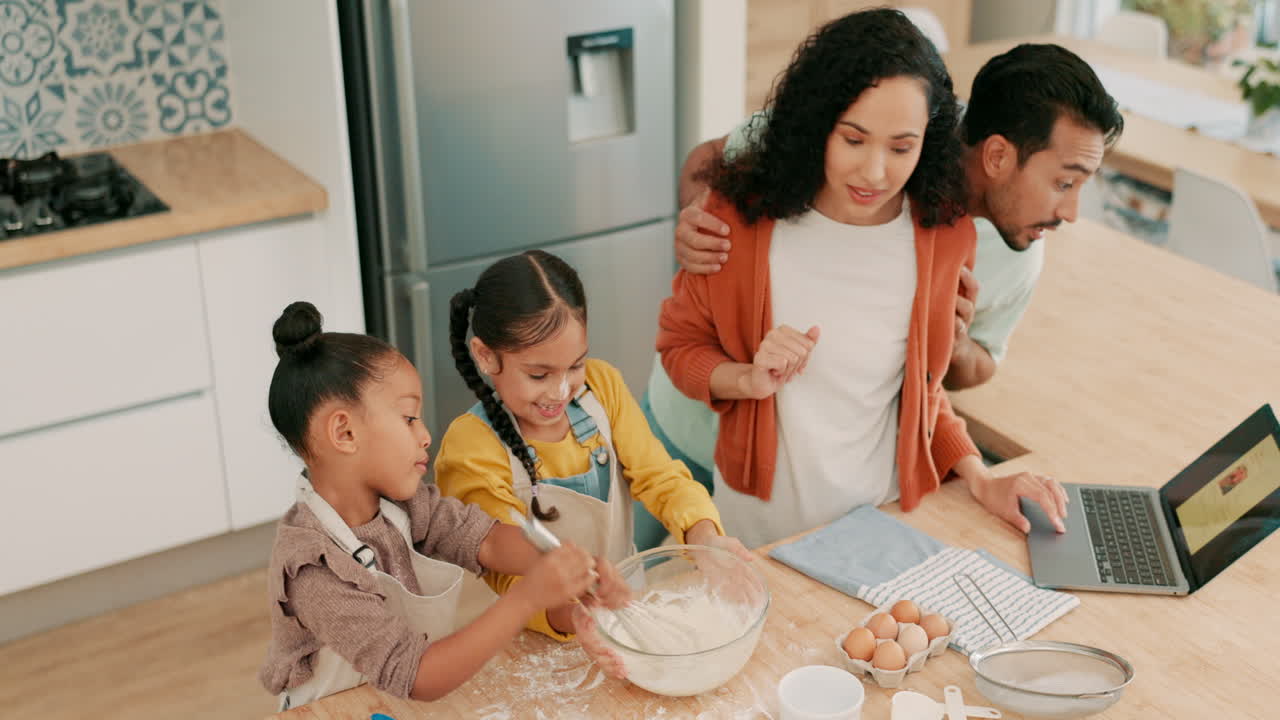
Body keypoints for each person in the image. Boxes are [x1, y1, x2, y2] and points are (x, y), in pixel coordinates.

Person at [647, 41, 1123, 541]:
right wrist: (708, 236)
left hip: (841, 504)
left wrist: (946, 341)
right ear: (998, 155)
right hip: (697, 431)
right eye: (1064, 183)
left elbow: (938, 380)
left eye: (901, 149)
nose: (877, 170)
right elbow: (711, 164)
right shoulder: (865, 123)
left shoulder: (996, 243)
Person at [257, 301, 619, 708]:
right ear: (344, 432)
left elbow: (487, 542)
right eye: (409, 418)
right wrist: (529, 598)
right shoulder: (312, 569)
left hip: (398, 701)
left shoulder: (407, 505)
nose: (426, 435)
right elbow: (418, 676)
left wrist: (568, 564)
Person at [433, 249, 749, 675]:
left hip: (626, 616)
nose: (561, 391)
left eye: (575, 365)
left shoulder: (601, 389)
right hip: (528, 647)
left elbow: (661, 478)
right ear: (486, 356)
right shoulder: (470, 446)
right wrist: (575, 616)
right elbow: (504, 574)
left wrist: (706, 539)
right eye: (539, 375)